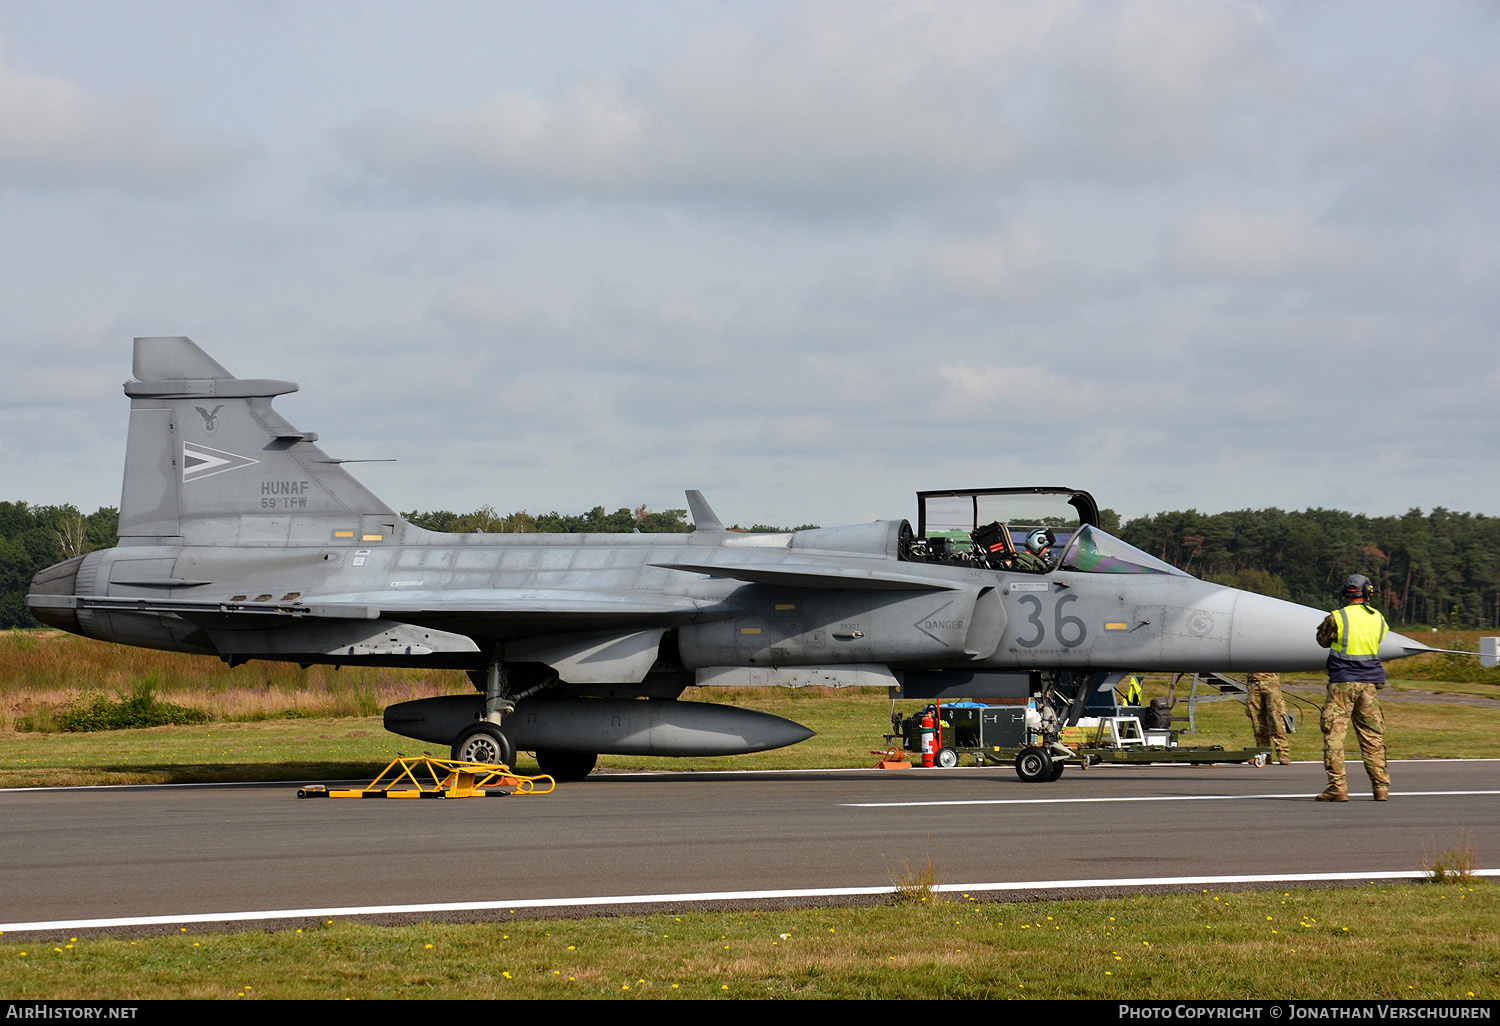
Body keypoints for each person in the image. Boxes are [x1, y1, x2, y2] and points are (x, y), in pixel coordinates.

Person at [1313, 573, 1390, 802]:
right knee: (1372, 736)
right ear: (1367, 592)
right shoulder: (1378, 618)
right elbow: (1379, 638)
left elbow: (1322, 641)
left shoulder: (1337, 617)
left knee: (1335, 735)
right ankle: (1381, 787)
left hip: (1342, 683)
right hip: (1369, 685)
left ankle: (1338, 787)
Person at [1244, 672, 1291, 765]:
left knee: (1276, 718)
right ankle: (1263, 753)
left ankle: (1283, 753)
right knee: (1256, 719)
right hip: (1253, 682)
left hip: (1270, 681)